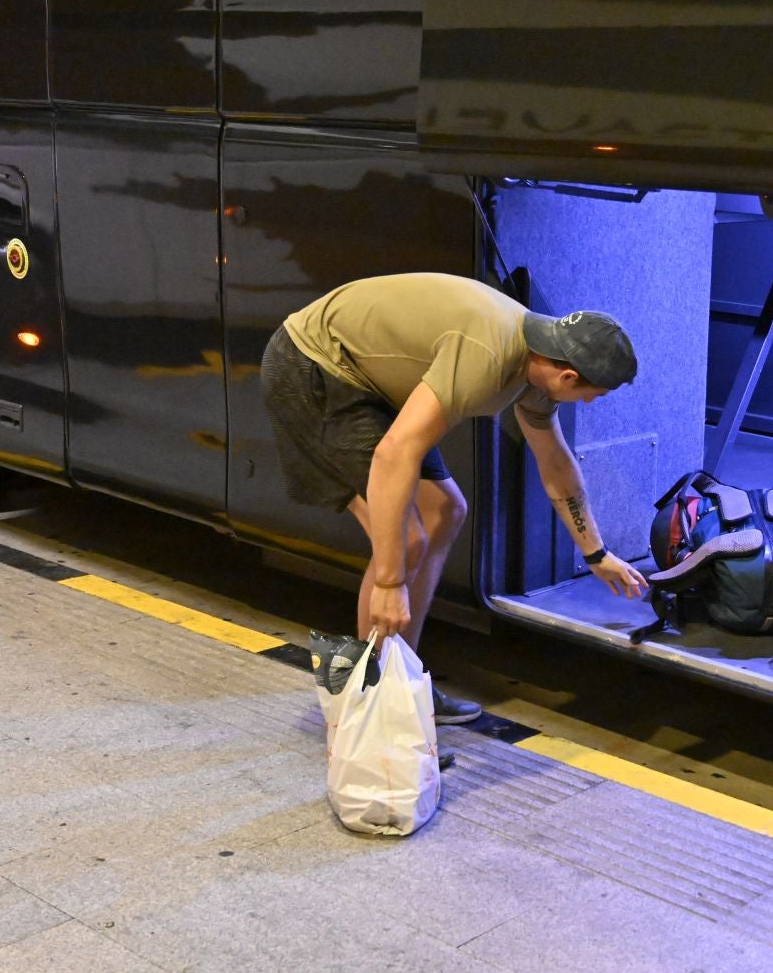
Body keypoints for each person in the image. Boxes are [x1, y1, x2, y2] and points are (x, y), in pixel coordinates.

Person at [261, 272, 648, 725]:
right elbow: (394, 454)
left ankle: (401, 683)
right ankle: (374, 708)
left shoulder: (537, 368)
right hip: (315, 366)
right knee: (404, 543)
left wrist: (595, 553)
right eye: (590, 395)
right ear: (566, 374)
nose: (586, 405)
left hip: (368, 381)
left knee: (445, 511)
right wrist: (389, 582)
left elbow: (557, 465)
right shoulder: (488, 354)